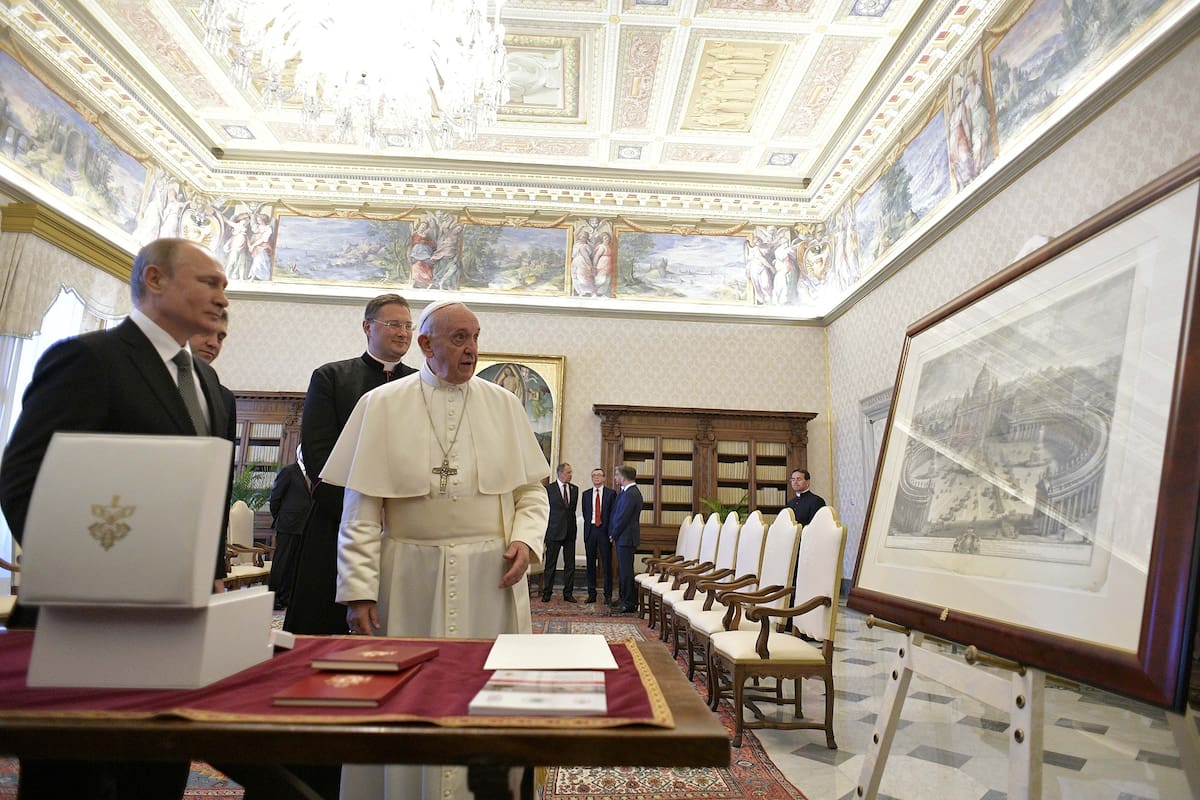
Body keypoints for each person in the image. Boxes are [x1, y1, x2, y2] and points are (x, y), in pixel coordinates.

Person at [0, 237, 234, 800]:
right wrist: (83, 568)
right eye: (210, 283)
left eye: (225, 287)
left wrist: (211, 569)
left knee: (155, 772)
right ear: (155, 279)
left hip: (177, 620)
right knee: (75, 779)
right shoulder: (89, 358)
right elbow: (23, 478)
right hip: (86, 621)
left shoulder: (209, 386)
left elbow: (207, 494)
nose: (223, 299)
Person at [327, 299, 549, 800]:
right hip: (408, 576)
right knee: (406, 700)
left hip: (489, 579)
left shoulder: (504, 404)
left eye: (475, 337)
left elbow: (532, 491)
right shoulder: (382, 405)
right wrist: (358, 589)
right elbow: (361, 508)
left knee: (488, 699)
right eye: (458, 338)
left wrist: (526, 540)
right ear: (425, 344)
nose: (471, 349)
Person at [284, 294, 416, 636]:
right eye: (393, 324)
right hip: (337, 521)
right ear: (367, 326)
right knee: (323, 633)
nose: (403, 332)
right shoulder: (330, 378)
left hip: (404, 525)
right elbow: (318, 455)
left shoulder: (419, 384)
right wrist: (363, 512)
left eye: (407, 325)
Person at [267, 447, 311, 609]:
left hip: (304, 526)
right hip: (287, 525)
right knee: (282, 563)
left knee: (294, 565)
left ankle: (286, 597)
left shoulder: (313, 474)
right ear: (300, 453)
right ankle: (273, 597)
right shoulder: (288, 471)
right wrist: (281, 519)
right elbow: (275, 499)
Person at [542, 462, 579, 603]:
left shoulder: (574, 489)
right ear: (560, 473)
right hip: (554, 531)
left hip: (570, 532)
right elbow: (545, 512)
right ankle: (547, 592)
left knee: (570, 565)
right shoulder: (548, 489)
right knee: (550, 564)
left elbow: (571, 511)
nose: (571, 475)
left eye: (571, 472)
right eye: (568, 472)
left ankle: (568, 593)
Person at [610, 465, 643, 615]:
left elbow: (623, 517)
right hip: (623, 537)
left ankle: (629, 603)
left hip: (626, 537)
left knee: (626, 572)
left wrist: (614, 533)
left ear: (623, 477)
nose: (615, 478)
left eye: (617, 475)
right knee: (623, 571)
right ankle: (624, 598)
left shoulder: (631, 494)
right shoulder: (625, 492)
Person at [582, 467, 617, 606]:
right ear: (592, 478)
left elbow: (613, 514)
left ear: (604, 478)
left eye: (599, 475)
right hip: (590, 531)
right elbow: (586, 514)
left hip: (604, 531)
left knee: (606, 564)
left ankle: (607, 594)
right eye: (594, 475)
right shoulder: (586, 494)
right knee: (590, 564)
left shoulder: (611, 494)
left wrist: (611, 532)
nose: (596, 477)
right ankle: (591, 594)